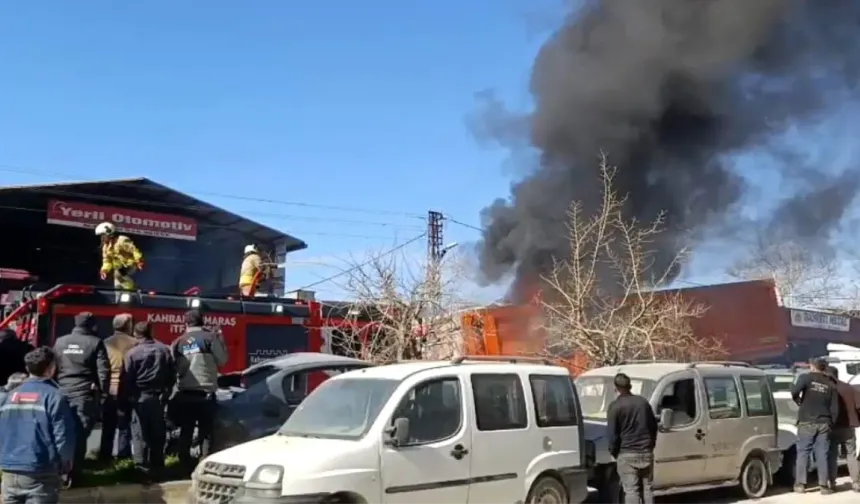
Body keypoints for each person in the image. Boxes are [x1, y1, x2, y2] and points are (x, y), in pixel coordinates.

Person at [0, 347, 76, 504]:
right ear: (51, 368)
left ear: (27, 368)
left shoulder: (10, 395)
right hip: (41, 470)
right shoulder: (54, 396)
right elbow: (63, 436)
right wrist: (65, 466)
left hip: (9, 469)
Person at [52, 312, 110, 486]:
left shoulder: (60, 341)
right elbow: (103, 371)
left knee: (60, 431)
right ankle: (74, 473)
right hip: (83, 393)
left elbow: (53, 365)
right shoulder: (95, 342)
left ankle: (58, 470)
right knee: (80, 433)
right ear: (92, 325)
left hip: (61, 391)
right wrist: (103, 391)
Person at [170, 310, 228, 471]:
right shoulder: (210, 338)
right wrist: (221, 339)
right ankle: (204, 462)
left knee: (186, 430)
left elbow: (172, 367)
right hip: (206, 393)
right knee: (207, 431)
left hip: (185, 392)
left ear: (186, 323)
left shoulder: (177, 342)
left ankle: (183, 464)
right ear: (202, 321)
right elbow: (223, 360)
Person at [122, 321, 175, 481]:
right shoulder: (164, 350)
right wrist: (166, 393)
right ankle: (158, 467)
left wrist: (129, 397)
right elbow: (172, 375)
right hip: (158, 398)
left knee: (139, 433)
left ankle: (141, 469)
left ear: (136, 334)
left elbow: (127, 379)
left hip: (140, 397)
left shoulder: (132, 353)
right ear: (150, 332)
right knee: (158, 433)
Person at [606, 373, 658, 504]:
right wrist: (650, 445)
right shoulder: (643, 402)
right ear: (630, 386)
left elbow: (612, 434)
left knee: (631, 490)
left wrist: (614, 452)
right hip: (646, 452)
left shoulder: (615, 406)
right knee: (648, 489)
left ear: (615, 388)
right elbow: (653, 426)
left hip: (626, 453)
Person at [791, 357, 840, 494]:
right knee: (822, 454)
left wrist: (799, 401)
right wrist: (831, 423)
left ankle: (800, 484)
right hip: (824, 422)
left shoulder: (806, 378)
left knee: (803, 452)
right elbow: (834, 408)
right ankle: (823, 486)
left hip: (806, 420)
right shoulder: (831, 384)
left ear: (813, 367)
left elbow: (794, 391)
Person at [98, 313, 136, 461]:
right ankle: (123, 454)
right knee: (124, 423)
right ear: (128, 326)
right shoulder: (134, 343)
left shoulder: (105, 343)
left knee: (108, 424)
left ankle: (104, 455)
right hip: (126, 387)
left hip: (109, 388)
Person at [826, 365, 860, 492]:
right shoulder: (849, 388)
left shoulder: (827, 388)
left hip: (833, 426)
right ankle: (856, 482)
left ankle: (831, 482)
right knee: (851, 454)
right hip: (849, 425)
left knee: (832, 454)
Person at [95, 222, 144, 290]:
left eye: (103, 236)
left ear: (109, 233)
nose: (102, 238)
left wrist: (139, 261)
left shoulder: (121, 240)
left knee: (118, 274)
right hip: (118, 269)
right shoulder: (105, 247)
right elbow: (107, 261)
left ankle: (133, 288)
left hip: (129, 266)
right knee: (117, 287)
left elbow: (134, 250)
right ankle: (119, 299)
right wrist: (104, 271)